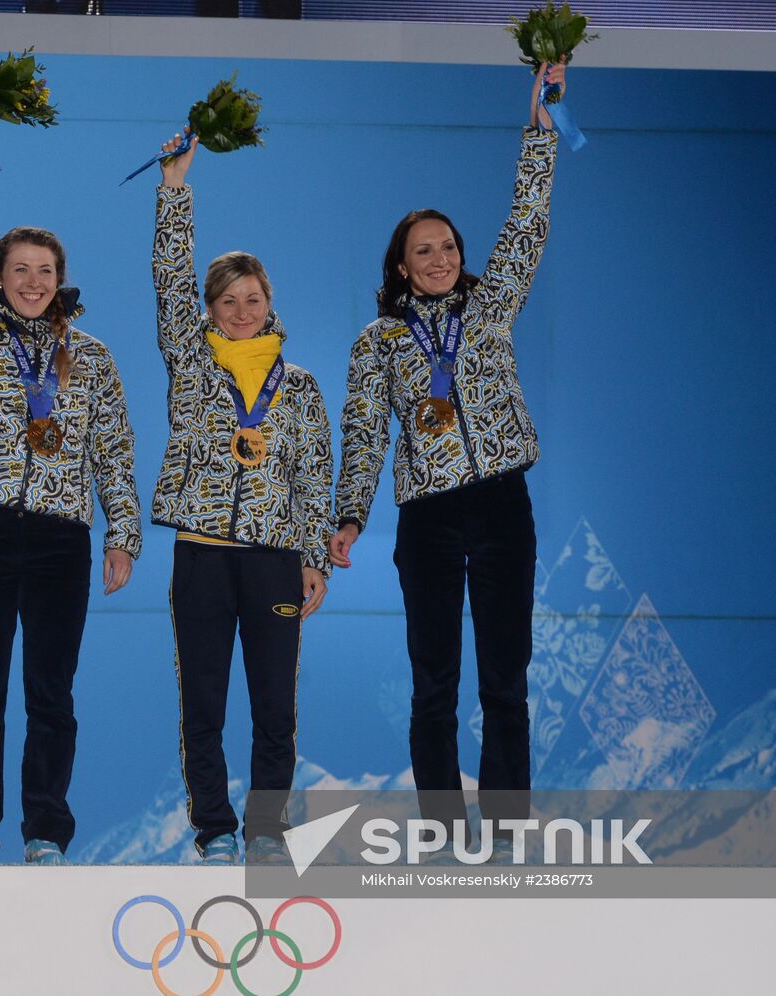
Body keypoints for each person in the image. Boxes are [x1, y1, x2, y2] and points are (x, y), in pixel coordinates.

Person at [330, 64, 567, 849]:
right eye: (421, 250)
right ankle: (440, 829)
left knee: (506, 677)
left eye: (448, 246)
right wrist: (347, 517)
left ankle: (503, 831)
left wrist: (540, 126)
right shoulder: (377, 342)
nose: (437, 258)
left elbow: (527, 222)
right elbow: (364, 433)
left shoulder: (490, 307)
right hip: (426, 518)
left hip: (502, 502)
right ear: (399, 265)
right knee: (434, 683)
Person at [0, 98, 142, 866]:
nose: (31, 281)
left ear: (61, 280)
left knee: (52, 695)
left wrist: (122, 536)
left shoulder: (90, 356)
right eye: (18, 270)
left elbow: (114, 450)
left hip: (62, 540)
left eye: (44, 271)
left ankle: (47, 832)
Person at [152, 129, 333, 865]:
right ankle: (215, 829)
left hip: (273, 560)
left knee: (275, 708)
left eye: (252, 298)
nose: (240, 310)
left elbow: (316, 477)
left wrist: (313, 556)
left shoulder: (302, 388)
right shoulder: (191, 363)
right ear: (209, 308)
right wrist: (174, 190)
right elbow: (169, 282)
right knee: (203, 701)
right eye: (226, 300)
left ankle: (264, 829)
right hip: (201, 553)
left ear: (270, 302)